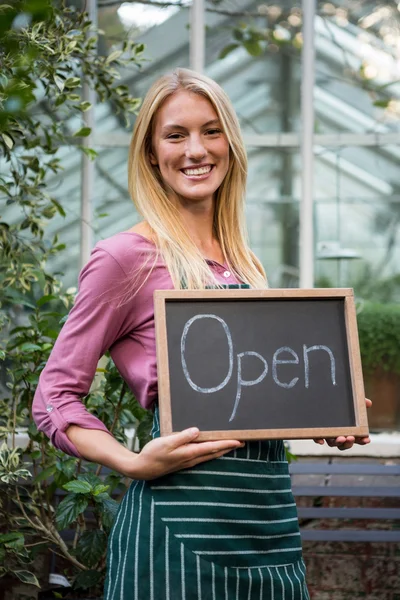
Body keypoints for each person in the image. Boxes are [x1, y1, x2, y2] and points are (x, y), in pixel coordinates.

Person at [32, 68, 370, 599]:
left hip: (270, 533)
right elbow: (53, 395)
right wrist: (132, 461)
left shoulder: (243, 262)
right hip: (178, 534)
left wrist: (326, 410)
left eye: (211, 132)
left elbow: (252, 395)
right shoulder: (125, 259)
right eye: (176, 135)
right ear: (150, 153)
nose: (196, 150)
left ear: (230, 145)